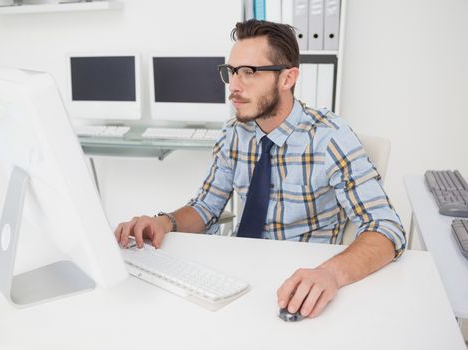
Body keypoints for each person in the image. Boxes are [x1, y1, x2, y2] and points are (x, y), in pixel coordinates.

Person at [115, 19, 406, 318]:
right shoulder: (234, 134)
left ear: (287, 78)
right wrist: (164, 222)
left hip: (299, 282)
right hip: (237, 277)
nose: (234, 86)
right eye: (231, 72)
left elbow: (387, 228)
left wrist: (330, 275)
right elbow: (206, 206)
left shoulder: (329, 138)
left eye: (249, 73)